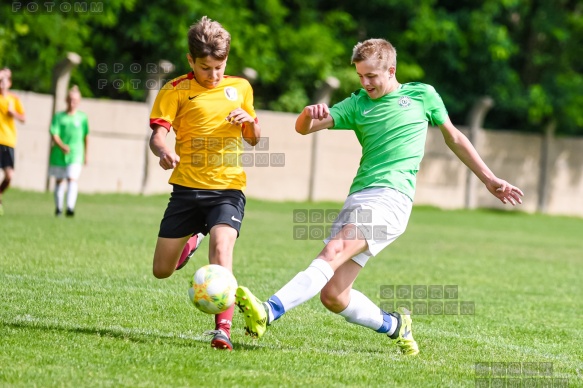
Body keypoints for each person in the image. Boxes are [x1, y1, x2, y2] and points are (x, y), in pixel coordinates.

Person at [235, 38, 524, 356]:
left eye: (371, 76)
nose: (365, 82)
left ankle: (268, 310)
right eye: (360, 76)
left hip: (392, 199)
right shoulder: (357, 104)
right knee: (334, 295)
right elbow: (304, 128)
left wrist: (490, 179)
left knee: (334, 250)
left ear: (391, 69)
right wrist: (307, 113)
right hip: (358, 198)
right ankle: (396, 326)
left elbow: (454, 136)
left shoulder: (421, 95)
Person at [149, 16, 261, 351]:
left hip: (227, 189)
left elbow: (254, 139)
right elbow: (158, 136)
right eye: (204, 68)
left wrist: (250, 122)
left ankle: (222, 330)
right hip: (185, 191)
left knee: (222, 250)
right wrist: (165, 151)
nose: (212, 75)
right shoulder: (176, 90)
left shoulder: (240, 88)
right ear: (190, 61)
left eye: (219, 67)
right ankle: (193, 236)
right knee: (161, 270)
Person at [48, 85, 89, 217]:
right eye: (70, 99)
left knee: (72, 179)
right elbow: (54, 133)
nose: (72, 103)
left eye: (75, 100)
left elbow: (86, 136)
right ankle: (59, 208)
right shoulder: (59, 117)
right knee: (60, 180)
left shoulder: (82, 118)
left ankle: (70, 208)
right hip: (59, 153)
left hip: (76, 153)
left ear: (79, 101)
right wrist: (61, 146)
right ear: (66, 100)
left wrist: (86, 154)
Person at [0, 67, 26, 216]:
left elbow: (23, 118)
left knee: (9, 175)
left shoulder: (14, 99)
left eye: (5, 80)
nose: (2, 83)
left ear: (9, 82)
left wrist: (13, 113)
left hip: (8, 141)